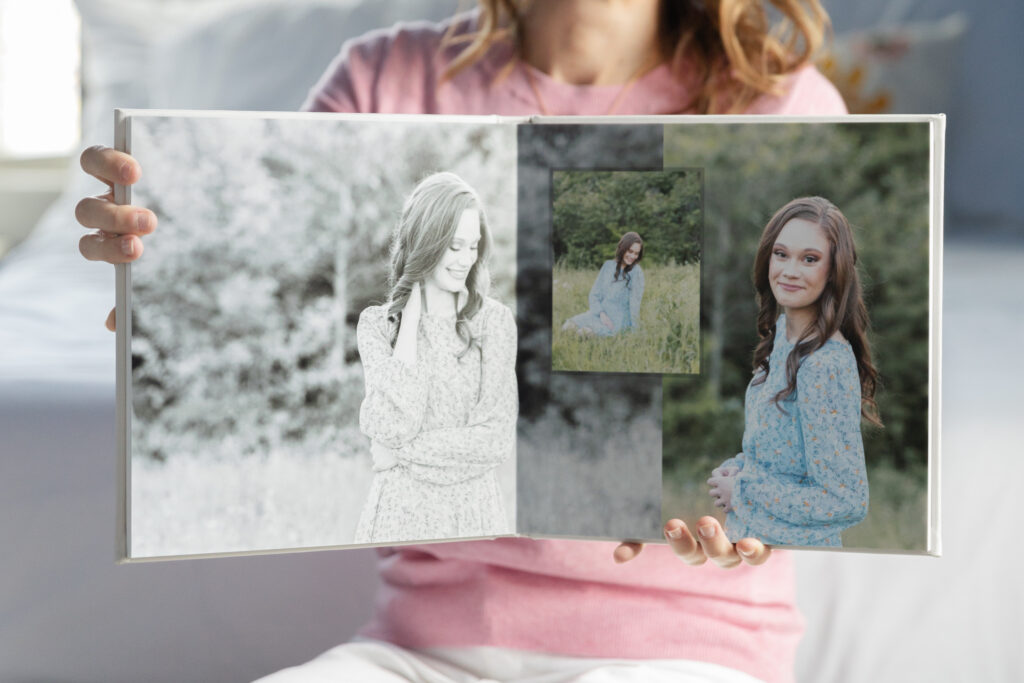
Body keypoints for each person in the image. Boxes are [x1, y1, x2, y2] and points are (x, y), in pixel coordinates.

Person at [77, 1, 848, 680]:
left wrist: (759, 514)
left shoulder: (784, 102)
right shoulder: (388, 81)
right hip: (425, 649)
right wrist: (162, 303)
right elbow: (290, 304)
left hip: (689, 648)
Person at [353, 172, 516, 544]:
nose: (466, 260)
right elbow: (395, 422)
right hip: (399, 517)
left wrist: (399, 454)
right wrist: (410, 322)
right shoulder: (378, 327)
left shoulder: (493, 323)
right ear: (426, 243)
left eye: (472, 247)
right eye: (454, 247)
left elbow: (494, 439)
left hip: (474, 516)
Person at [708, 197, 878, 548]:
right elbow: (785, 459)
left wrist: (742, 490)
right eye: (781, 254)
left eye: (810, 259)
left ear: (833, 271)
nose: (789, 270)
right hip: (748, 548)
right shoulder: (782, 337)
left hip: (794, 561)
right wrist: (739, 469)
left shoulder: (824, 363)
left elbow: (846, 500)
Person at [562, 231, 645, 337]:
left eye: (636, 253)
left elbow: (635, 304)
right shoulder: (608, 266)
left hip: (616, 320)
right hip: (600, 314)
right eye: (630, 251)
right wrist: (601, 314)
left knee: (582, 334)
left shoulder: (636, 272)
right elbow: (594, 295)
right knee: (567, 327)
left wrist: (635, 332)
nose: (633, 256)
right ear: (623, 248)